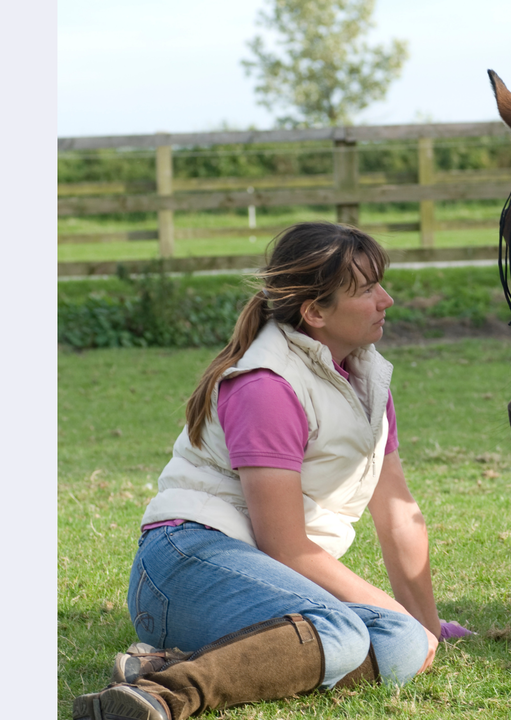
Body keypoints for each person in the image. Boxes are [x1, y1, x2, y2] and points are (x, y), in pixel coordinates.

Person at [74, 222, 470, 720]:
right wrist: (394, 613)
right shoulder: (267, 386)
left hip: (267, 574)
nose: (386, 300)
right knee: (349, 634)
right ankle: (166, 694)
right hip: (184, 563)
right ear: (315, 312)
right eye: (367, 290)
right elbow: (283, 544)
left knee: (406, 644)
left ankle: (171, 663)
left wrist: (426, 626)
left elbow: (397, 515)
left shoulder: (368, 379)